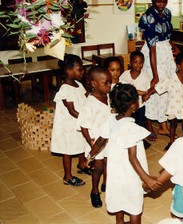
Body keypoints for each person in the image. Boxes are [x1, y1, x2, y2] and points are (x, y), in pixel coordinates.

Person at [88, 83, 161, 224]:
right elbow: (132, 158)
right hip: (131, 174)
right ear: (134, 105)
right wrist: (147, 179)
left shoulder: (110, 121)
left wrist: (90, 155)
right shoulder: (132, 128)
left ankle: (120, 222)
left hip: (115, 171)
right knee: (134, 206)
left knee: (119, 199)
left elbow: (100, 141)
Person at [138, 0, 180, 137]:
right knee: (155, 86)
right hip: (153, 55)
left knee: (167, 87)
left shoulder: (168, 13)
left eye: (164, 1)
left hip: (165, 53)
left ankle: (163, 122)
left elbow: (167, 36)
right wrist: (155, 74)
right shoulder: (147, 18)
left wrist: (174, 46)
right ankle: (153, 124)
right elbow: (152, 48)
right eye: (158, 1)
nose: (162, 4)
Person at [145, 53, 183, 150]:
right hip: (174, 105)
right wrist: (148, 93)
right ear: (178, 66)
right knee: (173, 124)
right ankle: (171, 141)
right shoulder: (170, 78)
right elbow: (158, 88)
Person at [50, 54, 88, 187]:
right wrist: (87, 119)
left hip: (78, 122)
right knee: (68, 150)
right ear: (68, 70)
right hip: (68, 126)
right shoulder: (65, 89)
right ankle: (67, 176)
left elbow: (84, 101)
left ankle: (82, 163)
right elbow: (72, 111)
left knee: (82, 143)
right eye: (79, 69)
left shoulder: (78, 84)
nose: (82, 72)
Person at [78, 66, 112, 207]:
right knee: (98, 167)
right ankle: (94, 191)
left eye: (110, 82)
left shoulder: (106, 96)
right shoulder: (89, 104)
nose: (109, 85)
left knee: (108, 163)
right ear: (93, 84)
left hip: (107, 138)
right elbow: (83, 126)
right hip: (95, 140)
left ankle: (106, 183)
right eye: (106, 83)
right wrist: (91, 143)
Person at [120, 51, 157, 142]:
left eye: (141, 63)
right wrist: (139, 92)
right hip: (127, 106)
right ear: (130, 63)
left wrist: (144, 94)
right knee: (127, 122)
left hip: (140, 105)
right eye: (135, 62)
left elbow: (147, 91)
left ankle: (140, 139)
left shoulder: (145, 76)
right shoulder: (125, 75)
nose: (138, 65)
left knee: (140, 122)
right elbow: (122, 88)